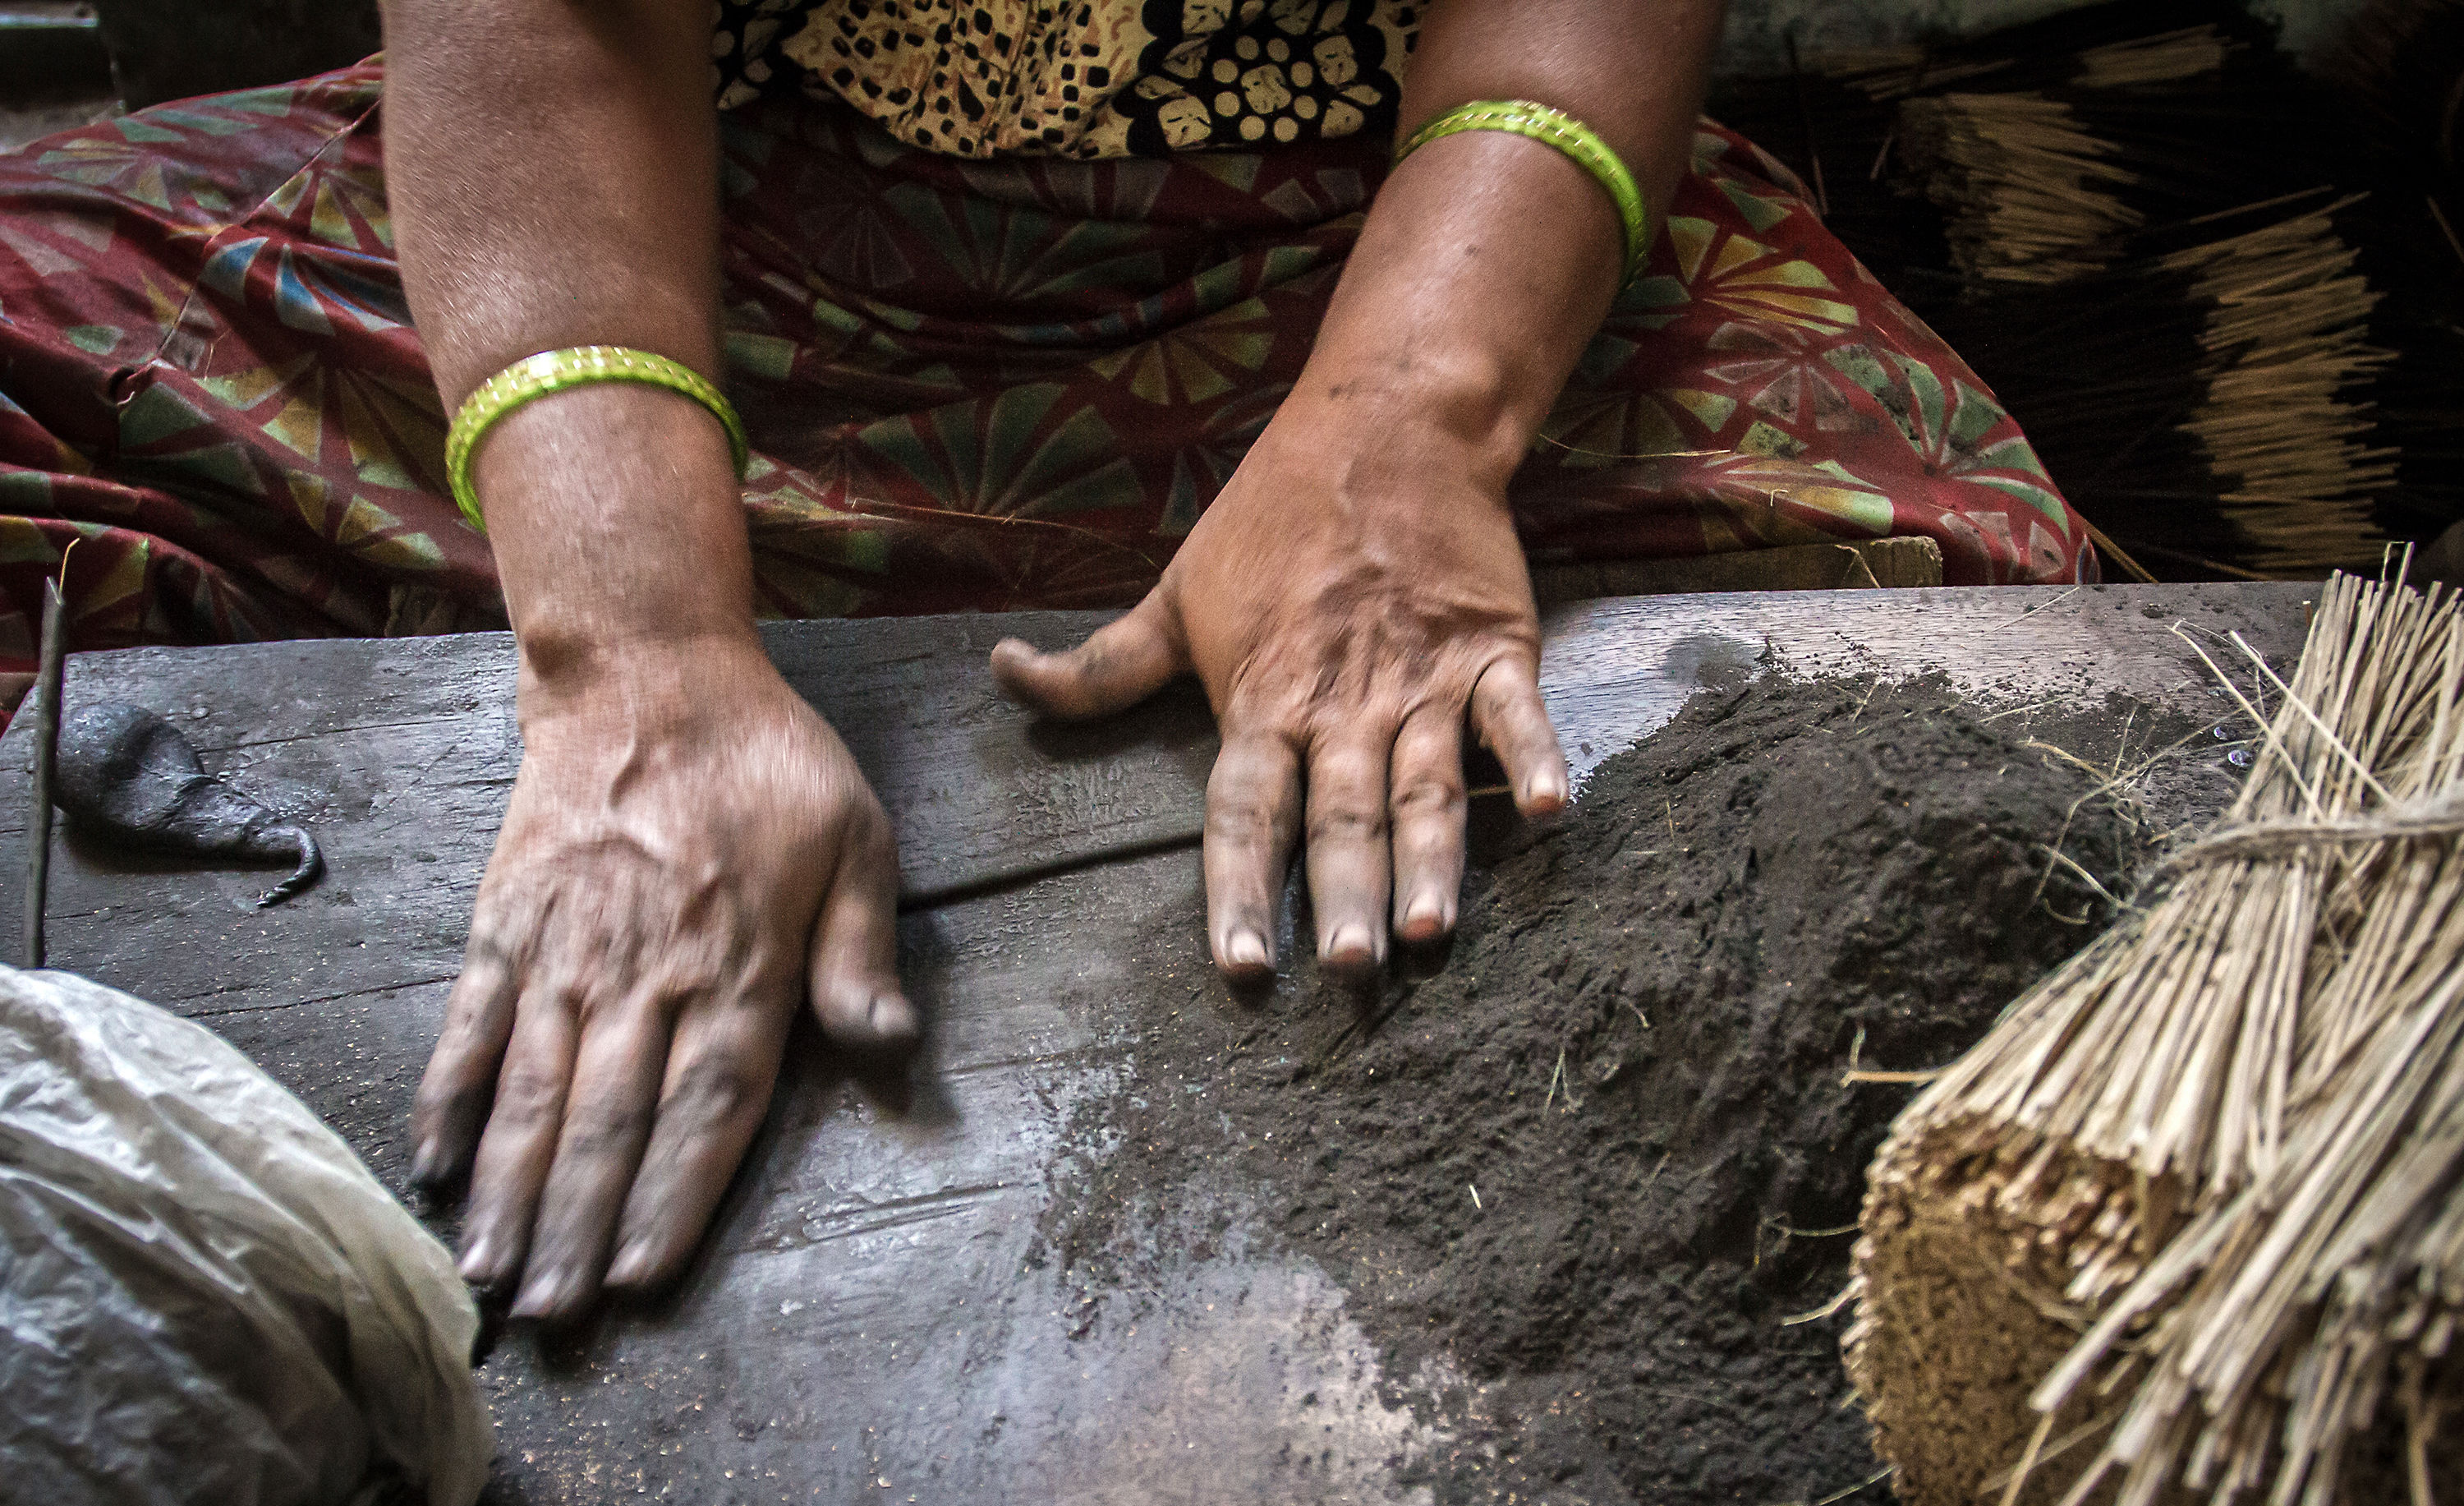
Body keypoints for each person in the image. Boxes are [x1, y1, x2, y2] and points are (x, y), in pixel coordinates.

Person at [0, 0, 2095, 1324]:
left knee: (1980, 609)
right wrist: (629, 642)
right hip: (692, 239)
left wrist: (1410, 422)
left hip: (1379, 217)